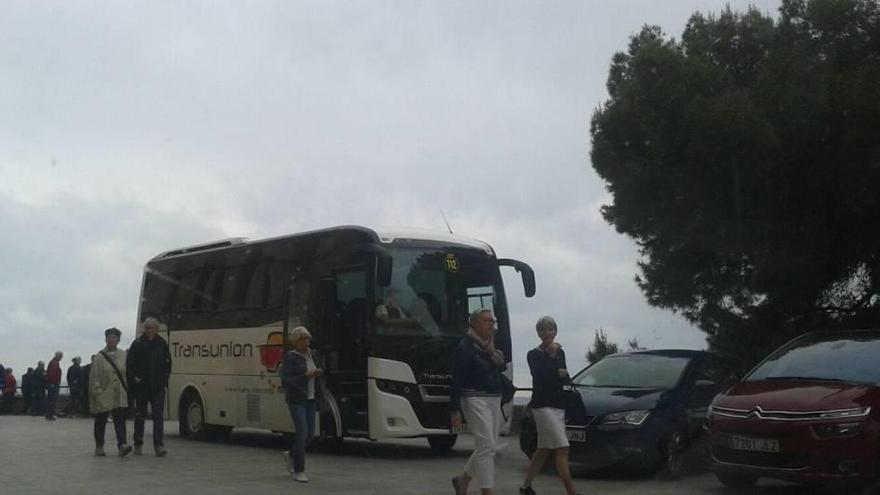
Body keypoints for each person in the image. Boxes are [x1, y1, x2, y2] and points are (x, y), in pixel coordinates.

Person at [450, 308, 507, 495]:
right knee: (487, 446)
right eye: (486, 321)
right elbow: (456, 379)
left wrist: (494, 355)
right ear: (473, 322)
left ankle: (462, 480)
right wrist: (455, 410)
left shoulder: (491, 347)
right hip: (473, 397)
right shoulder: (465, 347)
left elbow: (501, 367)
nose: (490, 324)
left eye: (492, 321)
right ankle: (487, 491)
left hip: (493, 398)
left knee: (486, 446)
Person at [520, 316, 579, 495]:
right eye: (543, 330)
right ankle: (571, 491)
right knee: (562, 448)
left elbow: (563, 375)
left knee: (544, 449)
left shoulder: (561, 352)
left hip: (557, 404)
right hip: (543, 406)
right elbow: (538, 374)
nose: (547, 333)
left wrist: (564, 375)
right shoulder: (534, 354)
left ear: (555, 331)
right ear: (538, 333)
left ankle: (525, 487)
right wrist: (548, 355)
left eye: (550, 329)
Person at [280, 326, 323, 483]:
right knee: (302, 432)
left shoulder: (313, 355)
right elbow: (286, 381)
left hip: (311, 399)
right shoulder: (290, 357)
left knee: (310, 434)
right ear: (296, 342)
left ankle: (291, 454)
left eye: (308, 338)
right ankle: (299, 470)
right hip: (297, 400)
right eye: (303, 339)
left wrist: (319, 372)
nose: (307, 342)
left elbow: (320, 372)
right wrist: (305, 376)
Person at [127, 317, 172, 456]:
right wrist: (135, 379)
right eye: (147, 328)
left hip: (157, 387)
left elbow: (168, 365)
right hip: (141, 387)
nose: (149, 330)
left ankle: (158, 445)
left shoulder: (162, 344)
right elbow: (129, 365)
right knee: (140, 415)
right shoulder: (138, 343)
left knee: (158, 417)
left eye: (152, 328)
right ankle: (138, 443)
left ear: (157, 329)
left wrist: (163, 381)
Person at [90, 327, 133, 457]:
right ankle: (99, 445)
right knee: (100, 420)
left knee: (120, 420)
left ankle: (122, 445)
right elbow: (94, 377)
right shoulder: (99, 357)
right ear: (106, 339)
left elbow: (128, 373)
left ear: (118, 340)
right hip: (104, 393)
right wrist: (98, 393)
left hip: (120, 393)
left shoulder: (124, 355)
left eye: (114, 337)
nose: (111, 340)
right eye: (109, 337)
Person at [45, 351, 64, 420]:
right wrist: (52, 383)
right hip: (53, 384)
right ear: (58, 356)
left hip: (52, 383)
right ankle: (50, 415)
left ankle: (49, 414)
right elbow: (52, 373)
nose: (61, 358)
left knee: (51, 399)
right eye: (61, 356)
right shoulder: (54, 363)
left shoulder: (53, 362)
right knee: (52, 400)